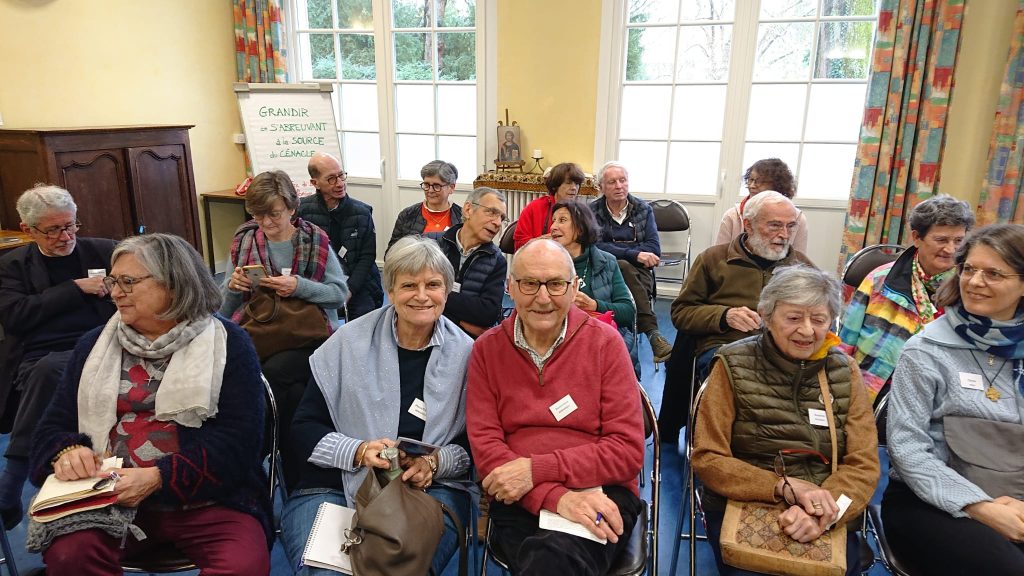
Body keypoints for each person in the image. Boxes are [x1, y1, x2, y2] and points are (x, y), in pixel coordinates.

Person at [28, 234, 271, 575]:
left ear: (174, 285)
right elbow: (52, 427)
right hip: (104, 497)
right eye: (113, 281)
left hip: (207, 497)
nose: (114, 293)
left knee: (241, 566)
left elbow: (238, 443)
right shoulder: (93, 347)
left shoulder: (228, 344)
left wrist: (159, 478)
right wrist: (65, 452)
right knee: (71, 557)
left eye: (128, 282)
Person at [280, 236, 474, 576]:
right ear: (390, 289)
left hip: (424, 487)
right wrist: (358, 451)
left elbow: (472, 444)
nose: (422, 295)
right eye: (409, 285)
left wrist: (434, 462)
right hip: (335, 481)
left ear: (447, 291)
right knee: (326, 573)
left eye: (433, 285)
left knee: (403, 568)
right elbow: (305, 429)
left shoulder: (468, 354)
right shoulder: (347, 342)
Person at [467, 238, 645, 575]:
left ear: (574, 286)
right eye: (530, 283)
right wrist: (558, 498)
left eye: (556, 284)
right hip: (519, 496)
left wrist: (537, 471)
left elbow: (626, 453)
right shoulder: (487, 351)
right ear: (510, 287)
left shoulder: (606, 345)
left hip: (601, 491)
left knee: (551, 561)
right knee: (549, 560)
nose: (543, 297)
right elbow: (488, 451)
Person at [691, 265, 880, 576]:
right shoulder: (732, 364)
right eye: (793, 318)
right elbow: (709, 458)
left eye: (819, 320)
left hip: (826, 505)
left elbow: (864, 464)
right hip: (748, 501)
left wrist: (826, 511)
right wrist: (779, 487)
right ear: (766, 316)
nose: (807, 331)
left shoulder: (844, 371)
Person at [883, 224, 1024, 574]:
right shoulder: (926, 350)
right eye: (969, 269)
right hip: (931, 500)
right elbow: (907, 449)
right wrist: (981, 506)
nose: (975, 282)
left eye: (993, 273)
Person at [220, 170, 348, 488]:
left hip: (309, 336)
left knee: (267, 375)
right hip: (259, 332)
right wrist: (235, 286)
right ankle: (296, 468)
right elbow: (223, 310)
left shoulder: (314, 238)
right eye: (258, 214)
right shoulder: (245, 239)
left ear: (292, 208)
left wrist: (298, 286)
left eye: (274, 214)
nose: (266, 223)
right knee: (291, 394)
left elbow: (339, 294)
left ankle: (258, 451)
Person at [0, 185, 117, 529]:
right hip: (39, 353)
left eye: (71, 225)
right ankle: (21, 482)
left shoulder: (105, 250)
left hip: (102, 344)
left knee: (52, 372)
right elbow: (16, 316)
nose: (66, 236)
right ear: (28, 230)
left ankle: (11, 480)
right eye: (53, 230)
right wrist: (75, 289)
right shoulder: (13, 266)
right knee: (49, 370)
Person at [838, 195, 974, 402]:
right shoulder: (879, 280)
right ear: (917, 237)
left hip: (936, 393)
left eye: (959, 241)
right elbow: (845, 343)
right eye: (941, 240)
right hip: (870, 389)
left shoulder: (970, 289)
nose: (951, 249)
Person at [671, 191, 814, 383]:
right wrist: (724, 316)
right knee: (740, 381)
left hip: (787, 347)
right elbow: (682, 312)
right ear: (749, 225)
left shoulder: (802, 268)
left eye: (791, 226)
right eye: (775, 225)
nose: (784, 235)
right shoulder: (713, 260)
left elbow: (821, 316)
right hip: (728, 344)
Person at [589, 161, 673, 362]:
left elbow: (653, 248)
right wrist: (634, 254)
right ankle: (652, 332)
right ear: (601, 187)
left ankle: (626, 350)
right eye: (612, 182)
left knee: (626, 268)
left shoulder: (643, 209)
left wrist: (621, 253)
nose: (619, 186)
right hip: (603, 269)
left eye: (623, 180)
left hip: (639, 272)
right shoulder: (592, 211)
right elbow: (595, 246)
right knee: (624, 265)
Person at [547, 199, 639, 376]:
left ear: (580, 228)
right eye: (553, 221)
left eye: (562, 220)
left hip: (598, 346)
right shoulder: (546, 263)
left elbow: (628, 312)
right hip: (554, 345)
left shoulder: (607, 262)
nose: (553, 227)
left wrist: (595, 305)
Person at [299, 152, 383, 320]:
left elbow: (367, 257)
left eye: (341, 176)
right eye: (331, 179)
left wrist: (349, 290)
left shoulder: (362, 212)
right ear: (315, 183)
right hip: (320, 282)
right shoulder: (302, 211)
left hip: (357, 283)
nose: (340, 183)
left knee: (363, 319)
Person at [431, 187, 508, 338]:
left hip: (467, 342)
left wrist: (438, 294)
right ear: (468, 210)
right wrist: (459, 321)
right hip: (428, 330)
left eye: (502, 218)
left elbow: (488, 313)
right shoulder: (431, 244)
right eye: (492, 212)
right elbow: (416, 295)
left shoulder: (497, 260)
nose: (498, 223)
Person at [715, 158, 809, 253]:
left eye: (759, 181)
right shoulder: (733, 216)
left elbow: (798, 260)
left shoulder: (797, 218)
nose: (752, 185)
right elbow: (718, 255)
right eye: (750, 180)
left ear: (777, 185)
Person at [389, 160, 463, 250]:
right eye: (426, 185)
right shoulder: (407, 215)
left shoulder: (463, 217)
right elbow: (391, 252)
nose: (430, 190)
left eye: (437, 186)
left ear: (451, 187)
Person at [513, 162, 585, 250]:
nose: (574, 187)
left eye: (577, 184)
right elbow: (518, 245)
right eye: (568, 183)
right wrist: (542, 242)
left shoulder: (581, 211)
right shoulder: (534, 207)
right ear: (555, 186)